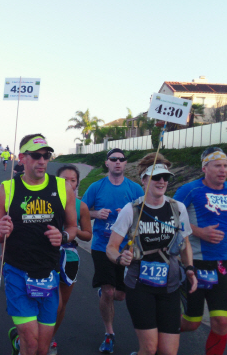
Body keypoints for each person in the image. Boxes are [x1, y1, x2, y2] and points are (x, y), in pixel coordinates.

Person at [0, 133, 78, 355]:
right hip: (18, 272)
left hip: (49, 273)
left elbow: (72, 228)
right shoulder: (6, 189)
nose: (42, 160)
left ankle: (18, 343)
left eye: (46, 155)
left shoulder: (62, 187)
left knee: (42, 348)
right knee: (31, 343)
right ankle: (22, 343)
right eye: (36, 155)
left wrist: (64, 237)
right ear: (22, 158)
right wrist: (2, 230)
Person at [107, 153, 197, 355]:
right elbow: (111, 247)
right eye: (156, 177)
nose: (162, 181)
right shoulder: (132, 210)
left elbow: (185, 244)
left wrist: (189, 268)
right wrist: (121, 257)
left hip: (170, 286)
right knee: (149, 348)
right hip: (140, 287)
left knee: (168, 351)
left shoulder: (177, 208)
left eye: (166, 177)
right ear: (144, 180)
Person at [82, 148, 144, 353]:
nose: (118, 162)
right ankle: (109, 334)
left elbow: (146, 216)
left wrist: (128, 215)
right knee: (109, 291)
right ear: (107, 163)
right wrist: (95, 213)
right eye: (113, 159)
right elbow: (82, 212)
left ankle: (107, 292)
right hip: (102, 246)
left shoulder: (135, 189)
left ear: (126, 164)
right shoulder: (96, 187)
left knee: (119, 295)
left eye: (121, 159)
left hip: (128, 248)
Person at [175, 147, 227, 355]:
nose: (223, 170)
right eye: (217, 166)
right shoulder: (190, 190)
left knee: (222, 322)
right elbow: (171, 218)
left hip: (222, 265)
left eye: (225, 166)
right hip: (194, 263)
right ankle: (154, 336)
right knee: (192, 322)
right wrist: (198, 232)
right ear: (205, 168)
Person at [50, 165, 92, 354]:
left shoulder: (80, 206)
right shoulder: (47, 200)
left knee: (61, 305)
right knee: (47, 301)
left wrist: (71, 233)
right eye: (64, 180)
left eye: (72, 180)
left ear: (77, 183)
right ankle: (33, 336)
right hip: (46, 255)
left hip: (69, 255)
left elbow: (87, 235)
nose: (68, 183)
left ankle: (50, 338)